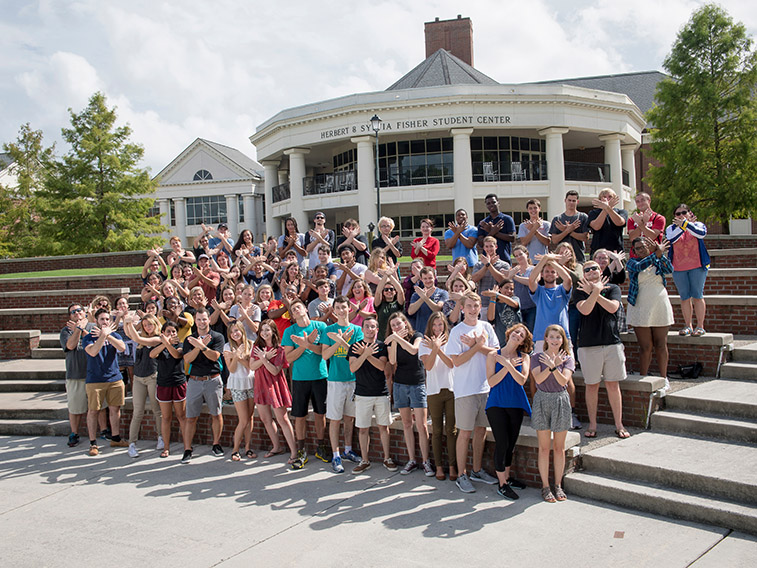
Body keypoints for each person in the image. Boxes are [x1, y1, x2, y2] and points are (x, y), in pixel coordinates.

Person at [447, 292, 500, 493]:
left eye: (476, 305)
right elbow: (456, 361)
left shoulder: (486, 327)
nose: (472, 309)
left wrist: (478, 346)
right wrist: (477, 346)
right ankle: (462, 474)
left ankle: (477, 470)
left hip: (485, 387)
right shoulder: (457, 331)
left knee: (481, 431)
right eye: (469, 305)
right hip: (465, 390)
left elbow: (495, 353)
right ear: (462, 308)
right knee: (465, 433)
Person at [575, 260, 630, 439]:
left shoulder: (613, 287)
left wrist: (596, 292)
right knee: (592, 386)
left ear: (601, 270)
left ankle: (619, 424)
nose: (591, 271)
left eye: (594, 268)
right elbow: (585, 310)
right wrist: (594, 292)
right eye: (587, 269)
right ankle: (592, 424)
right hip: (588, 345)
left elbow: (613, 307)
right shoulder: (578, 290)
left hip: (611, 343)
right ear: (583, 274)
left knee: (613, 385)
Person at [485, 323, 532, 500]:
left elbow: (521, 380)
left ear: (522, 341)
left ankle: (507, 477)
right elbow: (491, 382)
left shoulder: (524, 357)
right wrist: (505, 365)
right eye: (516, 332)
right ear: (509, 333)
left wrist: (510, 365)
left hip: (515, 404)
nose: (517, 335)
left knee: (511, 444)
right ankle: (502, 484)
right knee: (502, 443)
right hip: (496, 404)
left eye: (521, 335)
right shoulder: (493, 355)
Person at [282, 300, 329, 469]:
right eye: (293, 309)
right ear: (292, 316)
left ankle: (321, 446)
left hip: (320, 376)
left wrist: (307, 344)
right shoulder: (289, 331)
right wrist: (303, 346)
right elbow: (289, 358)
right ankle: (301, 450)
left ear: (305, 309)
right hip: (300, 378)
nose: (296, 310)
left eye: (298, 307)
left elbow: (323, 353)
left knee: (320, 413)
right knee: (300, 415)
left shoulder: (320, 326)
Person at [530, 325, 573, 503]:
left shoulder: (568, 358)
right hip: (542, 400)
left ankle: (558, 484)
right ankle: (545, 486)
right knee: (544, 447)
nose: (555, 340)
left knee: (559, 448)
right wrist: (550, 366)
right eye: (552, 337)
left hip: (560, 400)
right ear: (546, 339)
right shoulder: (536, 358)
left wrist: (556, 367)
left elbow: (564, 380)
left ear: (563, 340)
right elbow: (538, 379)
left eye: (558, 337)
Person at [385, 312, 432, 476]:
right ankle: (412, 459)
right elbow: (392, 361)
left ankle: (426, 461)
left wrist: (396, 338)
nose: (396, 327)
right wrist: (395, 341)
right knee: (406, 424)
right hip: (400, 385)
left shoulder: (416, 335)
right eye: (393, 326)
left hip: (417, 384)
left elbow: (414, 351)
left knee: (422, 425)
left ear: (405, 323)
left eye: (399, 324)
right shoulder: (393, 341)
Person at [321, 296, 364, 473]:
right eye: (337, 307)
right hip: (335, 380)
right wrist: (337, 340)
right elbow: (325, 355)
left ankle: (347, 450)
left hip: (353, 379)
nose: (341, 310)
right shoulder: (329, 330)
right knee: (335, 419)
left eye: (343, 307)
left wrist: (343, 340)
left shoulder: (357, 329)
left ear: (349, 309)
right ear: (334, 310)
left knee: (349, 418)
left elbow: (356, 353)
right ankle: (336, 454)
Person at [348, 315, 396, 474]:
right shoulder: (354, 346)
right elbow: (353, 368)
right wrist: (364, 353)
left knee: (384, 427)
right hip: (362, 394)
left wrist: (368, 354)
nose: (369, 329)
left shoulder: (382, 346)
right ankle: (365, 460)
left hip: (381, 393)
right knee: (363, 429)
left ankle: (387, 458)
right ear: (362, 329)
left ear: (377, 329)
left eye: (372, 326)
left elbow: (382, 366)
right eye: (367, 326)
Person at [626, 237, 674, 386]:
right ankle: (644, 377)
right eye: (637, 248)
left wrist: (660, 255)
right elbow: (640, 267)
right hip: (640, 305)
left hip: (659, 304)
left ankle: (663, 377)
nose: (641, 250)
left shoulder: (659, 259)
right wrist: (656, 253)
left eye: (644, 247)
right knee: (645, 346)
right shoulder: (632, 262)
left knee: (661, 344)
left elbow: (669, 269)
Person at [181, 308, 226, 463]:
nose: (202, 322)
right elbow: (188, 359)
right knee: (190, 417)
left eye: (204, 319)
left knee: (216, 414)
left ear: (209, 320)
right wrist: (198, 346)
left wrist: (204, 347)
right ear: (195, 320)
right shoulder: (189, 339)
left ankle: (216, 444)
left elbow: (215, 356)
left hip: (213, 380)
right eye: (199, 319)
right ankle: (187, 449)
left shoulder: (217, 337)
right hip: (194, 381)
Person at [250, 320, 297, 464]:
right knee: (265, 419)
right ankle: (276, 446)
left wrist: (264, 359)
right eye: (262, 330)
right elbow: (252, 366)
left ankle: (294, 452)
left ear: (273, 331)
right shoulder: (256, 347)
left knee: (282, 419)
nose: (264, 333)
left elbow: (275, 370)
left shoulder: (279, 349)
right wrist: (264, 358)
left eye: (267, 330)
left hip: (275, 385)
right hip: (261, 384)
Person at [82, 308, 128, 456]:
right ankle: (93, 443)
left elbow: (122, 348)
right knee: (93, 411)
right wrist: (103, 336)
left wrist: (108, 336)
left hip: (114, 378)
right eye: (102, 319)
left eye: (107, 319)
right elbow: (93, 352)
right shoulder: (88, 337)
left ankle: (115, 437)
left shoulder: (113, 335)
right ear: (96, 321)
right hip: (95, 380)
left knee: (115, 409)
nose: (105, 322)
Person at [419, 313, 457, 481]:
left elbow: (451, 364)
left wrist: (439, 348)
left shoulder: (452, 342)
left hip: (451, 390)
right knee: (437, 430)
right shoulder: (424, 343)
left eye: (440, 325)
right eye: (434, 325)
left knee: (451, 430)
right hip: (433, 391)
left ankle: (452, 466)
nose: (437, 328)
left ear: (445, 326)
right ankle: (439, 467)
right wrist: (434, 347)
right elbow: (428, 366)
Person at [122, 314, 163, 458]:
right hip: (139, 378)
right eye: (145, 325)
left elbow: (137, 338)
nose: (148, 327)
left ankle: (161, 436)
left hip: (153, 376)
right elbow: (130, 334)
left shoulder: (158, 339)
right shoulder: (140, 338)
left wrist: (129, 324)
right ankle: (132, 443)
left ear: (155, 324)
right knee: (137, 411)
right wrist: (126, 321)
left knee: (156, 409)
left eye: (150, 324)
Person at [665, 204, 710, 337]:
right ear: (674, 217)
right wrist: (684, 225)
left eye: (684, 212)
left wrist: (686, 224)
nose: (681, 215)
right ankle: (688, 325)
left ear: (690, 213)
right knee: (684, 297)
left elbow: (701, 234)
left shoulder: (698, 225)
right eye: (678, 214)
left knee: (697, 295)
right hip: (678, 267)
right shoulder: (671, 228)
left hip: (697, 266)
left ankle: (700, 326)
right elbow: (672, 239)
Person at [60, 303, 96, 447]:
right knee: (75, 408)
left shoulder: (93, 327)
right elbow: (70, 346)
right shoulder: (66, 331)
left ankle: (103, 431)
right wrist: (77, 330)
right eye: (73, 312)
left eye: (79, 310)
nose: (76, 313)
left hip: (93, 374)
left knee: (97, 408)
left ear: (84, 312)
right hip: (75, 374)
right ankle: (74, 433)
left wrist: (82, 329)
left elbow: (96, 343)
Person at [150, 321, 186, 459]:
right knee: (166, 417)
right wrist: (164, 343)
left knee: (181, 416)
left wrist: (167, 343)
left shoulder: (181, 345)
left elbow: (176, 355)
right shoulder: (159, 347)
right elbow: (152, 355)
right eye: (169, 331)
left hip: (178, 383)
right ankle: (166, 447)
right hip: (163, 384)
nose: (171, 334)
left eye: (174, 331)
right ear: (163, 333)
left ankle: (186, 446)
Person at [224, 321, 256, 461]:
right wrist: (235, 356)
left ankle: (248, 447)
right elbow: (230, 369)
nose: (234, 334)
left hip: (251, 382)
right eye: (232, 332)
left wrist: (238, 356)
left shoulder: (251, 343)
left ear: (242, 330)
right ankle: (235, 449)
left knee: (250, 417)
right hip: (237, 384)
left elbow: (251, 366)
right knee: (243, 420)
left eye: (237, 330)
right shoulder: (227, 346)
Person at [472, 235, 510, 315]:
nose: (489, 249)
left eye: (491, 246)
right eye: (486, 246)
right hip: (484, 302)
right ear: (484, 248)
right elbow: (474, 279)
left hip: (500, 302)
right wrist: (486, 266)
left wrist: (489, 265)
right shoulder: (479, 265)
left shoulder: (504, 265)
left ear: (496, 247)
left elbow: (502, 280)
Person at [550, 189, 589, 263]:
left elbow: (585, 238)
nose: (571, 203)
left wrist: (568, 231)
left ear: (577, 202)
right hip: (562, 259)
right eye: (569, 200)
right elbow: (554, 240)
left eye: (574, 201)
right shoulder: (557, 219)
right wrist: (567, 230)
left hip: (579, 258)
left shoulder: (583, 217)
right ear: (565, 200)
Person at [408, 267, 448, 337]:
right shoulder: (416, 295)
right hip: (422, 332)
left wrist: (425, 297)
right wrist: (422, 298)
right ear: (421, 279)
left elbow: (437, 309)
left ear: (435, 277)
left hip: (438, 332)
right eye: (425, 278)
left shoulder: (443, 293)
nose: (428, 281)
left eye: (430, 278)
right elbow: (410, 311)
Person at [477, 194, 516, 264]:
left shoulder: (507, 219)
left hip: (504, 258)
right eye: (488, 203)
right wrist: (492, 232)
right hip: (487, 260)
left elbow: (512, 238)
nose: (491, 205)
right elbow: (480, 243)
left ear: (498, 202)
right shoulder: (483, 223)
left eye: (493, 202)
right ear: (486, 205)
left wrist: (494, 232)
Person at [587, 188, 628, 255]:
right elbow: (596, 227)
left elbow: (620, 222)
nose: (607, 199)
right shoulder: (593, 213)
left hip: (616, 250)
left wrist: (607, 208)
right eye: (604, 197)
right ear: (600, 200)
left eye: (610, 197)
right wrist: (605, 209)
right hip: (598, 250)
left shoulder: (621, 212)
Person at [627, 192, 666, 258]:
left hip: (653, 256)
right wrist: (643, 222)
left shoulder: (659, 218)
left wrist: (641, 224)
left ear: (649, 201)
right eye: (637, 201)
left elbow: (652, 236)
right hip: (636, 257)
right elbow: (632, 238)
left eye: (642, 200)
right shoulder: (632, 219)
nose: (640, 203)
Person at [483, 279, 521, 346]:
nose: (509, 291)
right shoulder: (495, 304)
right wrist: (493, 297)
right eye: (506, 288)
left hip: (516, 341)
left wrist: (496, 294)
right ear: (500, 289)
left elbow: (514, 304)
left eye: (511, 289)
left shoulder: (515, 299)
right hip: (502, 342)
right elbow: (490, 318)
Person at [509, 245, 536, 332]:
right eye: (516, 256)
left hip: (531, 307)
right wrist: (510, 275)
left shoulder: (533, 269)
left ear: (526, 254)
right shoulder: (514, 270)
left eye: (520, 254)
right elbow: (507, 284)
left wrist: (514, 277)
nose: (518, 257)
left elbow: (531, 282)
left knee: (530, 333)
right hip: (518, 308)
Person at [373, 270, 404, 341]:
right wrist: (385, 276)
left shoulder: (398, 303)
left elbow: (401, 292)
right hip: (382, 338)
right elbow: (377, 292)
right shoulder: (380, 304)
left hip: (399, 337)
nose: (389, 291)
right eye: (386, 290)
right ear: (383, 292)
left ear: (395, 291)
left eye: (391, 289)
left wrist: (390, 276)